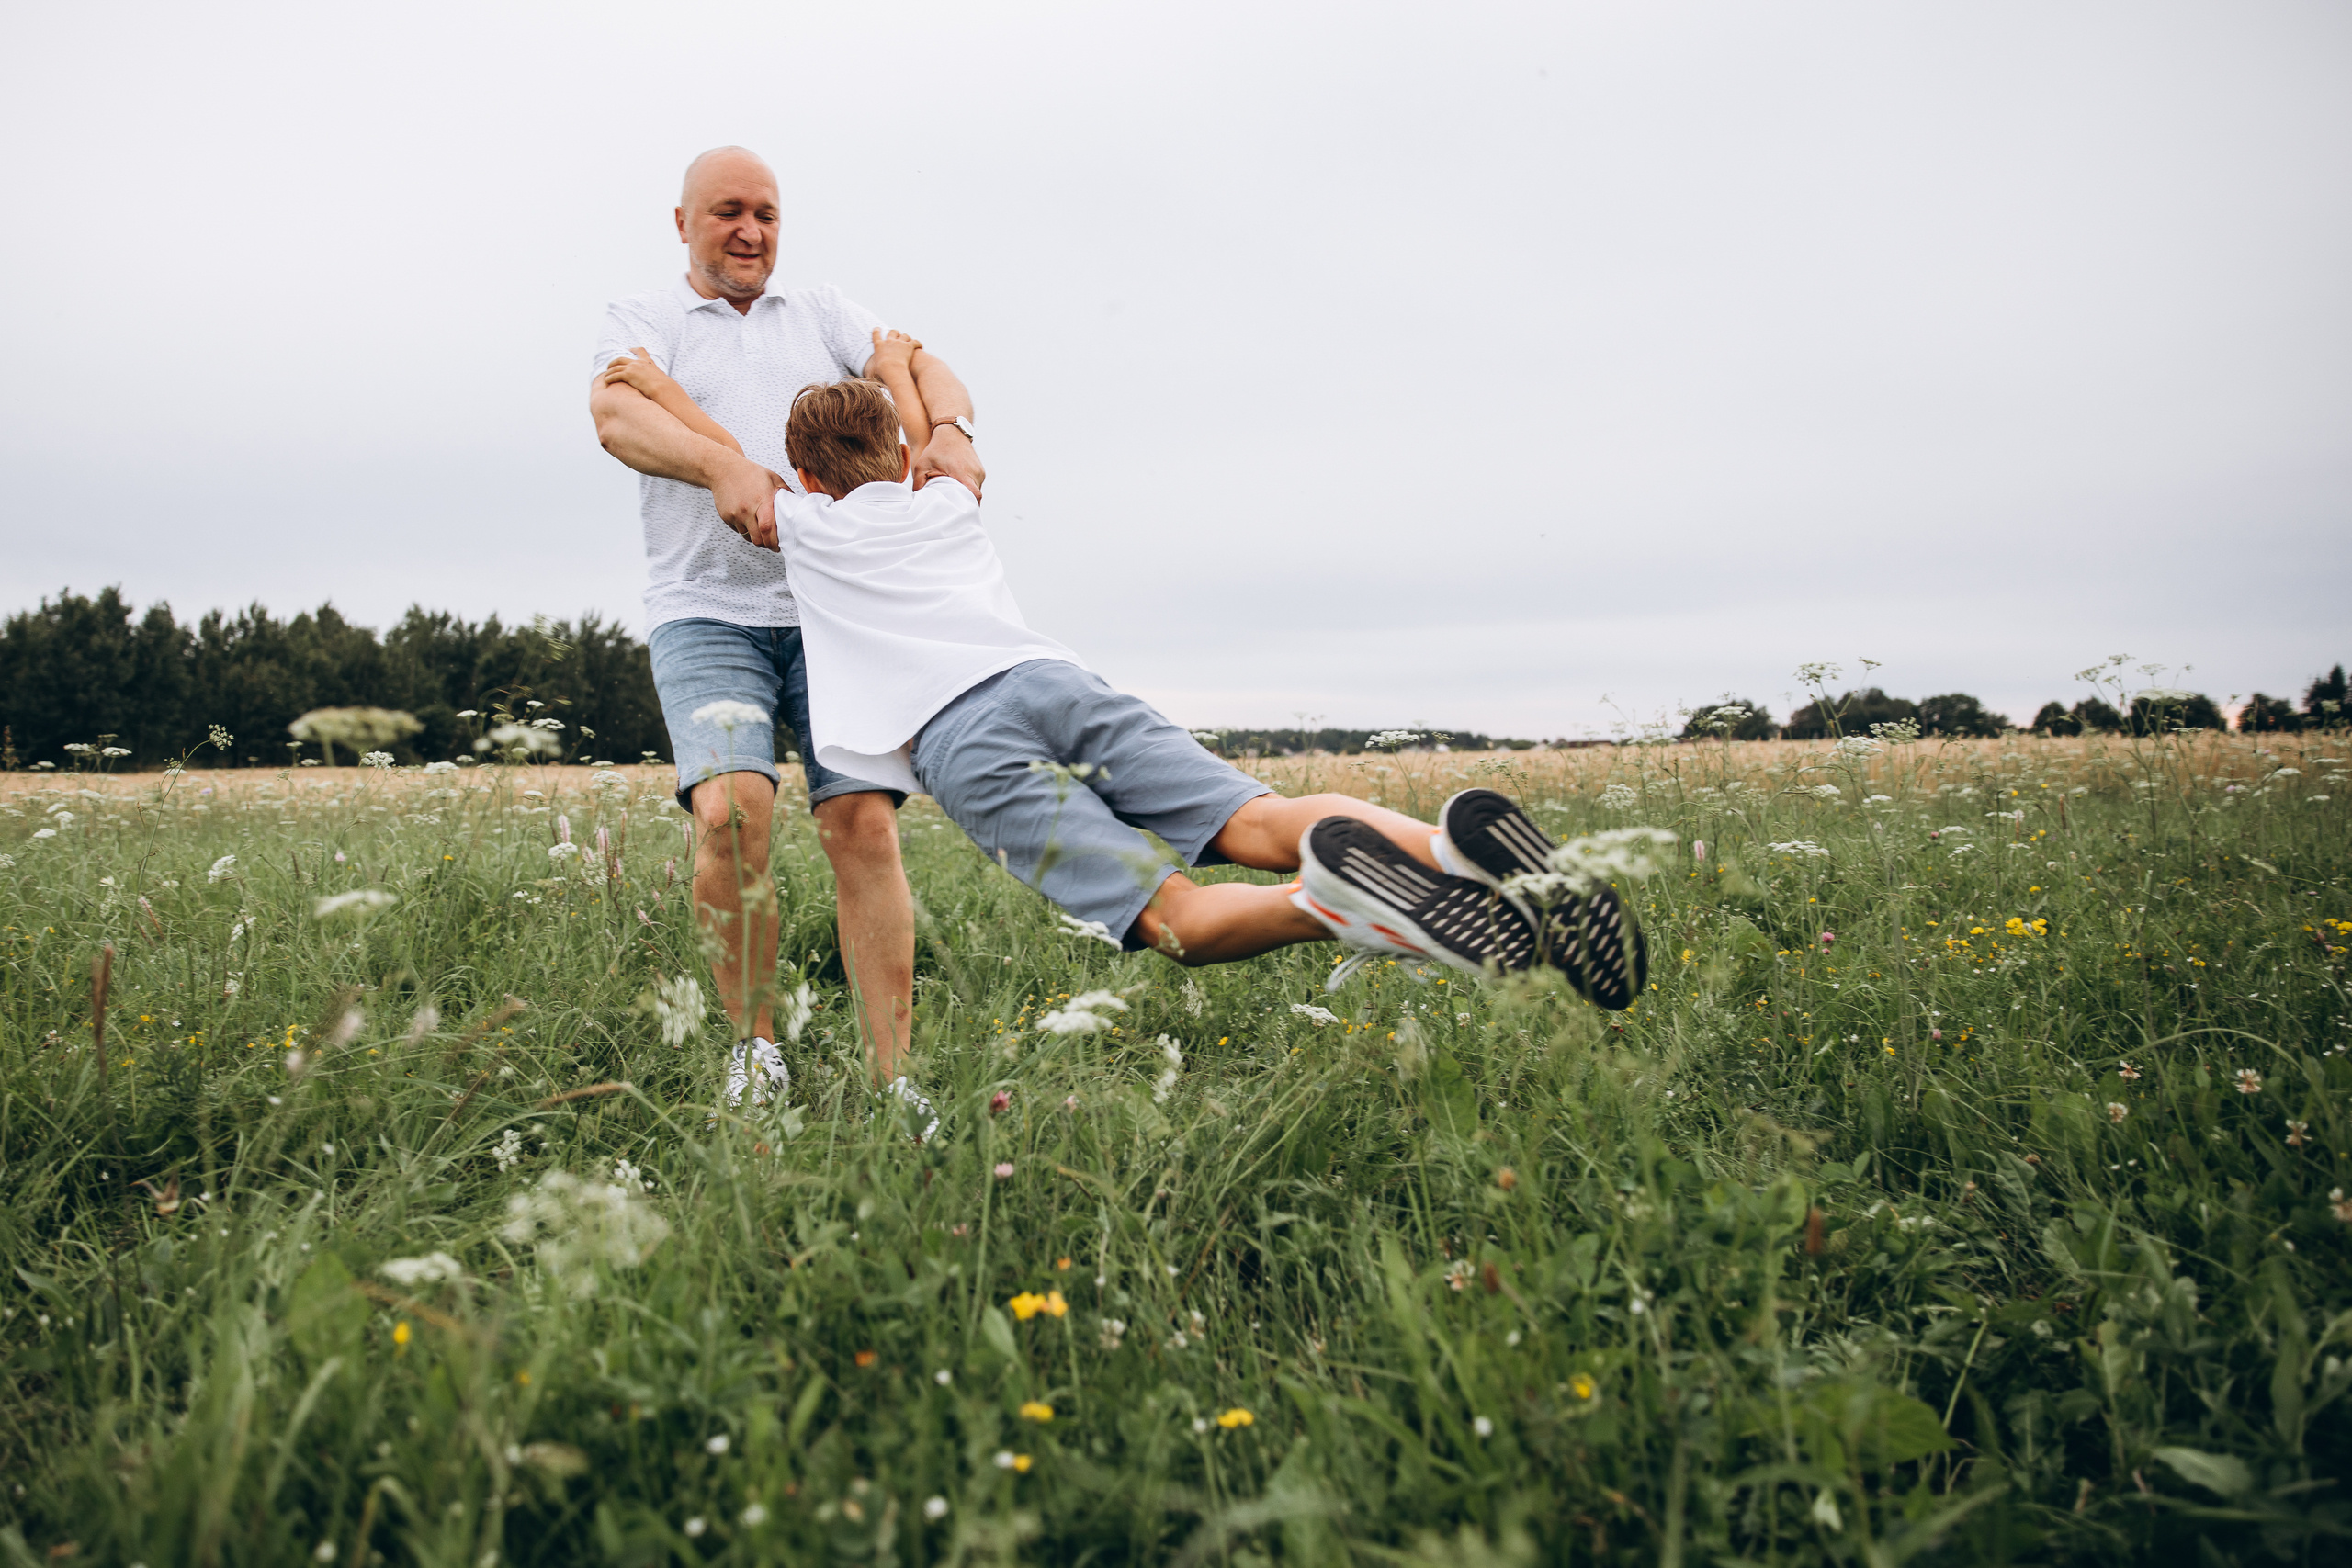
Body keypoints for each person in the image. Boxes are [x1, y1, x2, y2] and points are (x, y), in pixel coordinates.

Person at [610, 341, 1649, 1013]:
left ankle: (1338, 905)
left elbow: (727, 461)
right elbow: (945, 417)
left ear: (807, 477)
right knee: (1257, 818)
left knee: (1174, 916)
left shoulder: (809, 524)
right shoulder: (948, 498)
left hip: (963, 741)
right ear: (902, 452)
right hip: (1054, 679)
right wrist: (900, 360)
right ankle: (1451, 852)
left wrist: (655, 386)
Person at [588, 147, 981, 1115]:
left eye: (765, 213)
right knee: (731, 814)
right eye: (728, 211)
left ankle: (894, 1079)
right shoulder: (644, 320)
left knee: (863, 823)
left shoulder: (824, 312)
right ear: (682, 223)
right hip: (705, 610)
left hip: (831, 610)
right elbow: (615, 414)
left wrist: (952, 431)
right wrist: (720, 467)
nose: (750, 230)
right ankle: (756, 1050)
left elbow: (917, 361)